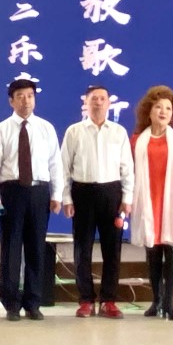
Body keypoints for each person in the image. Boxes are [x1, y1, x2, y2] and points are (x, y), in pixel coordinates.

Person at [0, 77, 63, 321]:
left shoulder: (46, 128)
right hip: (11, 193)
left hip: (39, 192)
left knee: (36, 247)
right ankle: (11, 303)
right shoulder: (0, 129)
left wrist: (57, 194)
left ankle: (33, 302)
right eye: (20, 96)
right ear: (11, 101)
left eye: (30, 96)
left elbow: (55, 163)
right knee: (11, 248)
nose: (26, 101)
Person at [62, 85, 134, 319]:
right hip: (82, 192)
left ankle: (108, 300)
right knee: (82, 249)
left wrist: (127, 198)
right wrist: (66, 198)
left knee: (112, 251)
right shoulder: (74, 131)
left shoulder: (119, 132)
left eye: (103, 99)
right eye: (94, 99)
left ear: (109, 103)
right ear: (86, 102)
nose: (99, 102)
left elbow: (127, 168)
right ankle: (85, 300)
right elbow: (64, 168)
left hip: (112, 193)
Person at [130, 86, 173, 321]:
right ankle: (156, 301)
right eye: (158, 107)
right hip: (148, 201)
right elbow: (129, 173)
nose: (163, 112)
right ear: (149, 111)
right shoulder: (137, 140)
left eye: (168, 108)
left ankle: (171, 304)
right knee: (153, 253)